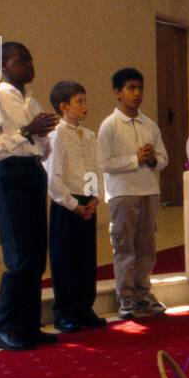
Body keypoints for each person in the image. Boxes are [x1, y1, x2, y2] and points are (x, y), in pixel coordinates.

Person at [0, 42, 59, 351]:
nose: (29, 64)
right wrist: (26, 131)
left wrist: (42, 134)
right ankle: (3, 328)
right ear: (4, 66)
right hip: (9, 175)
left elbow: (43, 149)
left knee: (36, 256)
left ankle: (28, 325)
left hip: (33, 172)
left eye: (30, 58)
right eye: (21, 59)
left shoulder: (33, 103)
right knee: (19, 256)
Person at [99, 67, 169, 319]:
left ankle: (143, 291)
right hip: (122, 193)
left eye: (140, 88)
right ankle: (126, 296)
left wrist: (151, 160)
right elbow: (104, 162)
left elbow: (164, 158)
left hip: (148, 190)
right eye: (131, 88)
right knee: (125, 245)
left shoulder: (149, 124)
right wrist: (134, 158)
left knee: (146, 246)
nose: (137, 93)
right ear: (117, 93)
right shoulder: (110, 126)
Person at [44, 80, 106, 333]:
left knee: (85, 258)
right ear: (63, 106)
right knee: (65, 259)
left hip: (86, 202)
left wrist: (94, 196)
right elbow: (53, 177)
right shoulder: (55, 136)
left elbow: (94, 168)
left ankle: (84, 307)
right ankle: (65, 312)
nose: (85, 106)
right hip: (66, 204)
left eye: (85, 100)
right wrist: (72, 204)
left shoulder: (88, 135)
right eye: (79, 101)